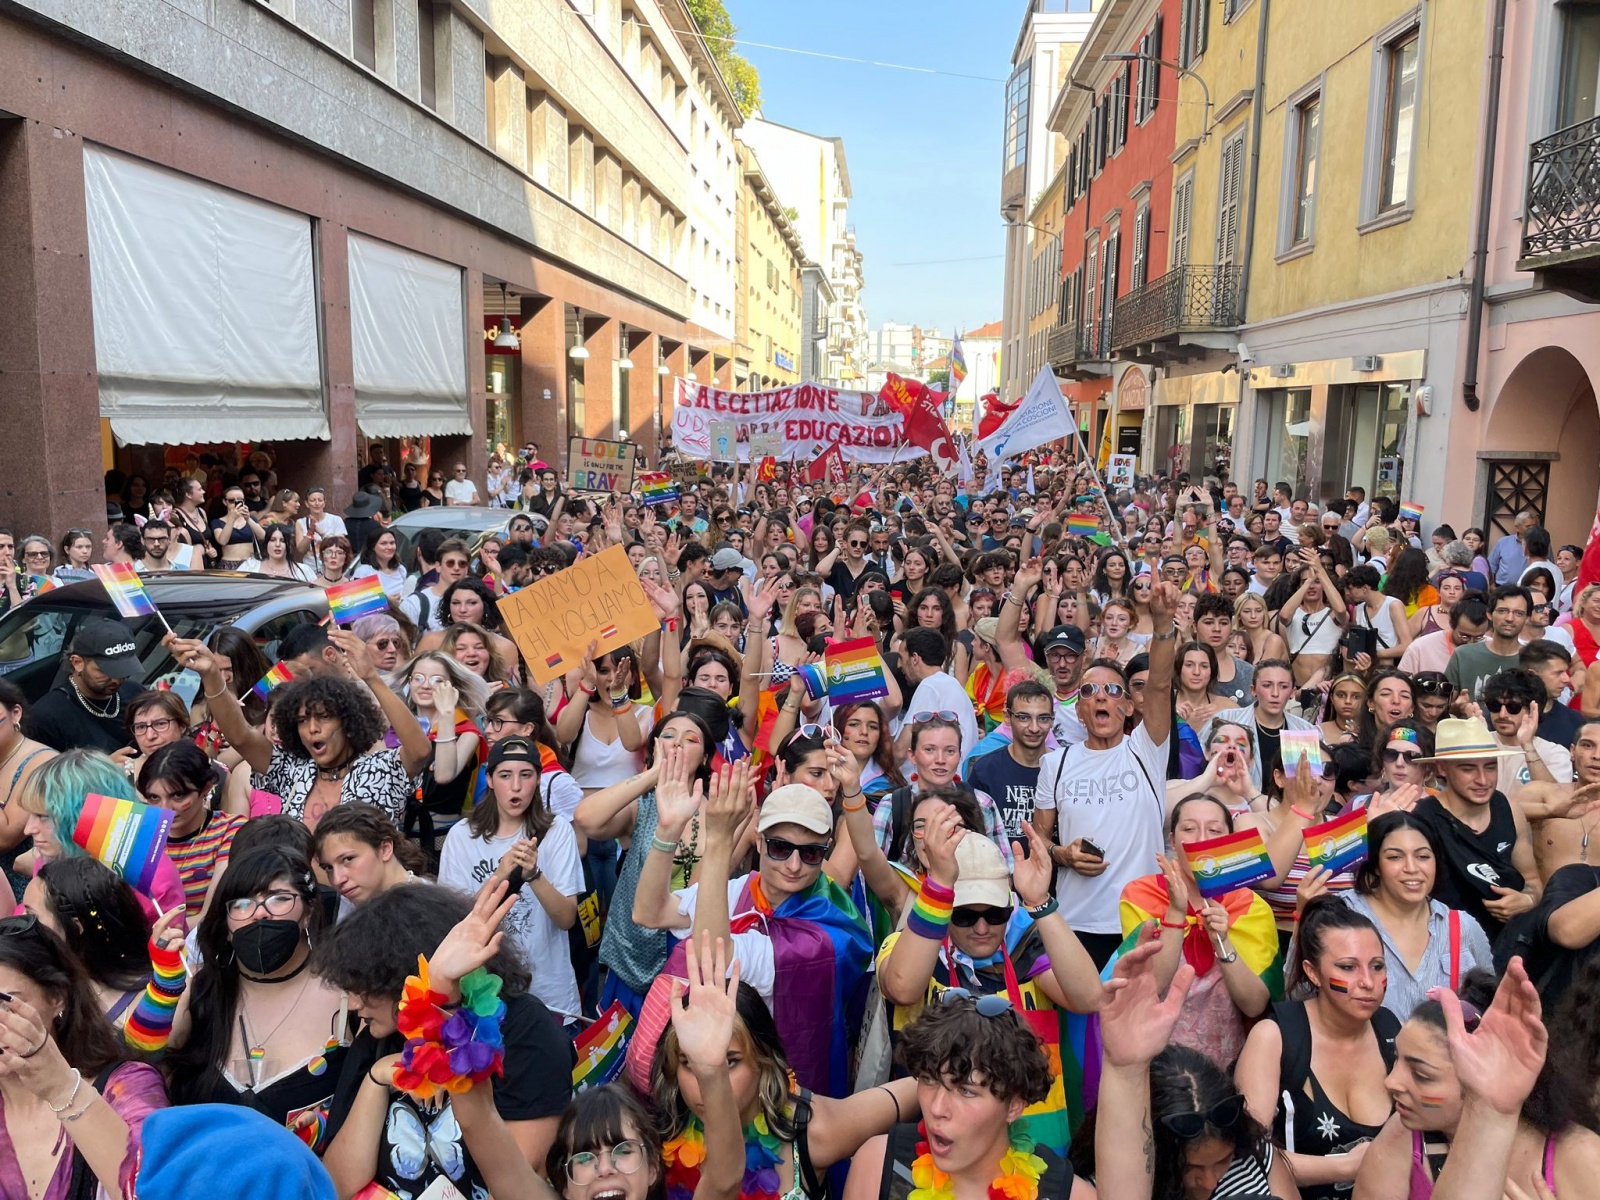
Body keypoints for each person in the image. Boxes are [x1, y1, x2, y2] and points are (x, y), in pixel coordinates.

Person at [633, 759, 872, 1099]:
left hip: (777, 1084)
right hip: (718, 1067)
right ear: (758, 841)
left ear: (826, 851)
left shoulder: (824, 934)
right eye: (779, 847)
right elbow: (650, 912)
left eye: (811, 854)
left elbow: (712, 963)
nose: (793, 865)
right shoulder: (745, 887)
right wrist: (668, 830)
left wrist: (718, 841)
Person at [316, 881, 575, 1194]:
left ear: (403, 975)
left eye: (364, 986)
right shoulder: (379, 1037)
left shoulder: (522, 1028)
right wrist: (377, 1077)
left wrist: (442, 1015)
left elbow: (519, 1179)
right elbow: (338, 1186)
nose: (355, 1004)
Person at [1353, 965, 1600, 1199]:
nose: (1391, 1082)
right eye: (1396, 1059)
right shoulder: (1405, 1131)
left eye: (1422, 1075)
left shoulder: (1583, 1156)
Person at [155, 846, 349, 1142]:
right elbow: (140, 1072)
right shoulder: (199, 992)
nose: (260, 913)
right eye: (242, 904)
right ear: (227, 923)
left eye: (279, 899)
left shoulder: (351, 998)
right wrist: (162, 987)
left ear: (309, 911)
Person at [1032, 580, 1179, 969]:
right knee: (1081, 1027)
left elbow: (1161, 686)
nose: (1099, 697)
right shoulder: (1055, 764)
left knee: (1137, 1026)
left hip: (1141, 923)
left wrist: (1163, 626)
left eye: (1112, 690)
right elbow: (1039, 842)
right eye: (1088, 691)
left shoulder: (1145, 749)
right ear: (1078, 710)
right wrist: (1063, 854)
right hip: (1074, 924)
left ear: (1130, 706)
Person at [168, 629, 432, 828]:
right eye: (302, 720)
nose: (312, 729)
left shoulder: (379, 769)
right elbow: (241, 736)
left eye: (324, 717)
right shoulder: (293, 771)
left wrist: (372, 677)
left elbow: (419, 751)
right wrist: (212, 675)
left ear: (350, 721)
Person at [1235, 898, 1397, 1197]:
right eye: (1347, 967)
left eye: (1377, 966)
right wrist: (1347, 1166)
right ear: (1312, 972)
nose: (1368, 982)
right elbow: (1250, 1155)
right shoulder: (1276, 1037)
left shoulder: (1391, 1031)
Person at [0, 912, 169, 1200]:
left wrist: (62, 1089)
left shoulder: (127, 1087)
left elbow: (156, 1190)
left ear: (57, 998)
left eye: (5, 1003)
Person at [1120, 793, 1275, 1066]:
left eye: (1214, 830)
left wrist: (1223, 941)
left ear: (1228, 841)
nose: (1202, 839)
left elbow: (1255, 1005)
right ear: (1171, 840)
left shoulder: (1251, 906)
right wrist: (1176, 914)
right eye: (1189, 829)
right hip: (1154, 1058)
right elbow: (1152, 986)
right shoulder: (1140, 894)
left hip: (1228, 1063)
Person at [439, 737, 583, 1020]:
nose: (516, 786)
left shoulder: (558, 831)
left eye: (526, 775)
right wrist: (501, 874)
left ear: (538, 779)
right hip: (484, 995)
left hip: (550, 993)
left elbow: (566, 919)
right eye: (505, 775)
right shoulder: (461, 836)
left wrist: (533, 875)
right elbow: (456, 924)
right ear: (490, 779)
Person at [1322, 812, 1495, 1019]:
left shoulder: (1462, 926)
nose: (1411, 868)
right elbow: (1299, 992)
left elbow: (1489, 1006)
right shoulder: (1341, 913)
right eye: (1395, 857)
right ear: (1376, 864)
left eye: (1422, 856)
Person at [1410, 717, 1540, 941]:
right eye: (1468, 769)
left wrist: (1526, 900)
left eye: (1490, 767)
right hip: (1445, 943)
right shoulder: (1422, 820)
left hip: (1508, 943)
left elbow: (1533, 881)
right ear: (1442, 768)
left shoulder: (1508, 808)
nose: (1482, 780)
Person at [18, 749, 186, 921]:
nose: (28, 829)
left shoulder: (151, 880)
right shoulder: (53, 858)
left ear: (84, 814)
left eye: (42, 816)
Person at [22, 857, 155, 1035]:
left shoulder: (150, 1002)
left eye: (31, 915)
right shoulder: (33, 979)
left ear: (75, 928)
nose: (21, 922)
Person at [137, 742, 243, 922]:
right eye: (154, 798)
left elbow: (210, 916)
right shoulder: (138, 837)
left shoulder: (231, 830)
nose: (165, 809)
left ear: (206, 788)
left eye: (178, 796)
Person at [24, 618, 146, 755]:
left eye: (124, 670)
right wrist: (103, 769)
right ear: (77, 663)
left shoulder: (135, 692)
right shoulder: (46, 716)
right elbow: (40, 773)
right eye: (106, 671)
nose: (117, 680)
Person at [1204, 659, 1316, 795]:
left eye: (1283, 686)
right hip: (1233, 806)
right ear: (1253, 690)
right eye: (1267, 685)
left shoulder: (1305, 731)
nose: (1275, 693)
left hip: (1287, 810)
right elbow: (1198, 763)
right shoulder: (1227, 720)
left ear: (1293, 692)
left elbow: (1311, 784)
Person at [966, 680, 1056, 840]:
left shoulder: (1063, 769)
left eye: (1043, 718)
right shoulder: (986, 770)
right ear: (1007, 717)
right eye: (1024, 717)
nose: (1034, 728)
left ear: (1052, 720)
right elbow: (973, 835)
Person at [311, 801, 423, 909]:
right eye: (328, 868)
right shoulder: (343, 908)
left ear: (385, 849)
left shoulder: (430, 907)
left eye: (348, 859)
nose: (337, 880)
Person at [896, 628, 980, 763]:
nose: (899, 665)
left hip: (938, 780)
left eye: (901, 658)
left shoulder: (930, 686)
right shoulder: (949, 684)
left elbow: (900, 751)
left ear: (915, 658)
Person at [1447, 586, 1530, 701]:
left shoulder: (1533, 660)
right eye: (1502, 611)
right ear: (1490, 614)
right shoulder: (1462, 655)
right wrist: (1456, 708)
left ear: (1527, 618)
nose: (1510, 618)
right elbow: (1444, 704)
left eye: (1519, 613)